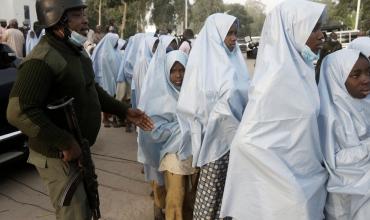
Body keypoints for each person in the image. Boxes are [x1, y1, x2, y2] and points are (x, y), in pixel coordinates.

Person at [6, 1, 153, 219]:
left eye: (83, 13)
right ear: (56, 20)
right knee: (74, 212)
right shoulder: (42, 59)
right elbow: (18, 111)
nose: (85, 20)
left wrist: (123, 110)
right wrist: (65, 141)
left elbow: (90, 88)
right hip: (57, 155)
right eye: (76, 15)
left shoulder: (74, 50)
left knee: (87, 206)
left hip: (77, 146)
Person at [220, 1, 328, 219]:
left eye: (320, 28)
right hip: (283, 190)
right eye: (313, 28)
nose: (321, 35)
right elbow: (247, 140)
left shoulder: (304, 74)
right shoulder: (273, 83)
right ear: (291, 31)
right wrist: (286, 183)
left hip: (310, 179)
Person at [176, 13, 250, 219]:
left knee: (233, 197)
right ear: (216, 35)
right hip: (215, 144)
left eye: (236, 33)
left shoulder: (236, 62)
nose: (234, 38)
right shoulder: (203, 66)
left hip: (238, 142)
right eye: (229, 34)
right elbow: (193, 106)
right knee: (212, 196)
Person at [139, 50, 197, 220]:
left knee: (191, 199)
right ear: (166, 72)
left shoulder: (194, 93)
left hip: (195, 153)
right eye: (173, 71)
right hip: (172, 154)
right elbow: (155, 131)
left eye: (182, 70)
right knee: (176, 197)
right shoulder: (159, 97)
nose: (178, 75)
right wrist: (183, 130)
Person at [318, 49, 370, 220]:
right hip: (347, 196)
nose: (366, 79)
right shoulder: (328, 117)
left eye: (368, 72)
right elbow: (333, 161)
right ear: (337, 78)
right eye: (356, 75)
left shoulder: (365, 102)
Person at [138, 35, 178, 220]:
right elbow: (151, 126)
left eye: (174, 48)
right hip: (157, 143)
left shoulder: (184, 86)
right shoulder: (154, 81)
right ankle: (158, 206)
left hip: (177, 152)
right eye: (167, 49)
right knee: (158, 179)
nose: (171, 52)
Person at [92, 33, 122, 127]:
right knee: (107, 98)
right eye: (116, 41)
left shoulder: (114, 51)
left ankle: (112, 118)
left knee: (113, 98)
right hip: (106, 79)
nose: (117, 43)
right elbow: (105, 69)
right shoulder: (104, 54)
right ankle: (105, 119)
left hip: (113, 78)